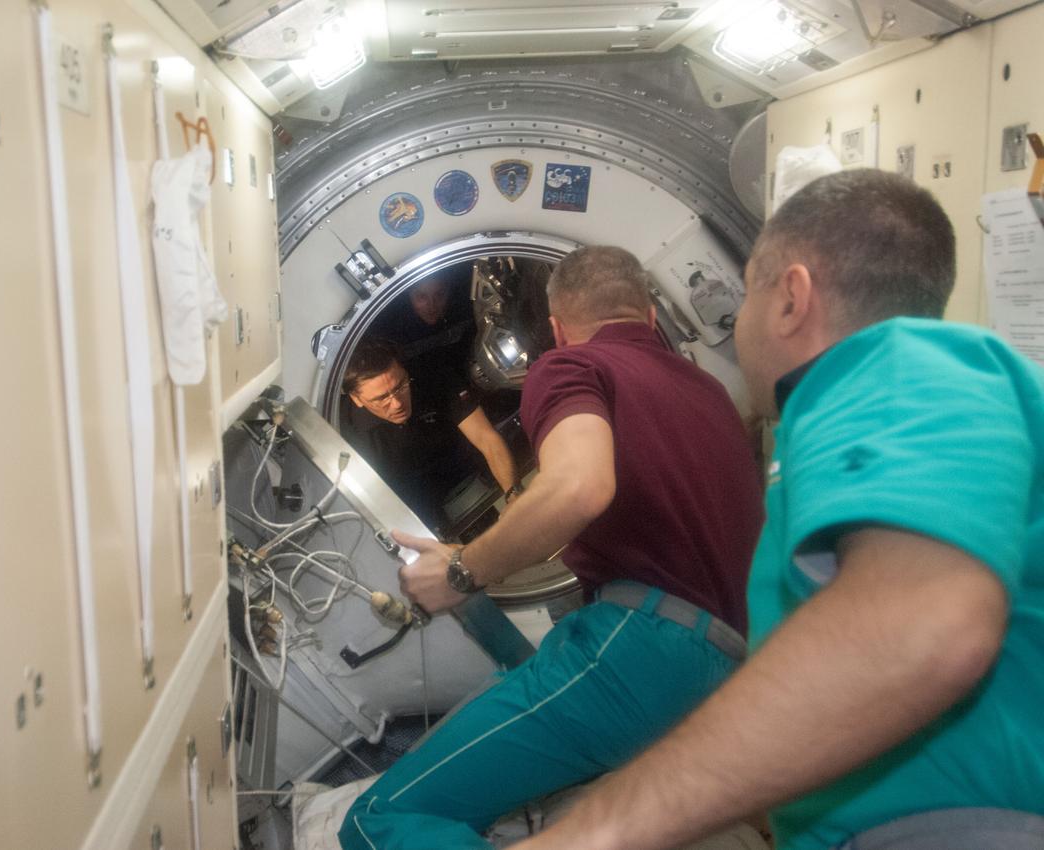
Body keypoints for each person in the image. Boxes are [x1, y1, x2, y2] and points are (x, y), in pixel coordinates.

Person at [513, 169, 1044, 850]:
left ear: (791, 297)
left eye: (747, 302)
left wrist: (591, 834)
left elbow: (921, 629)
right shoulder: (869, 418)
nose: (738, 333)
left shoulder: (898, 368)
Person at [338, 246, 765, 850]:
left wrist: (460, 571)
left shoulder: (569, 369)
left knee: (374, 823)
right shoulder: (707, 389)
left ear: (558, 328)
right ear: (649, 314)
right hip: (730, 658)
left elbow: (579, 485)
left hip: (641, 649)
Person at [343, 337, 518, 531]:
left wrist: (514, 494)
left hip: (463, 466)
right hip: (412, 499)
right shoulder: (351, 440)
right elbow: (377, 506)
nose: (397, 403)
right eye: (381, 398)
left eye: (400, 386)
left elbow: (486, 438)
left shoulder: (433, 376)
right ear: (356, 399)